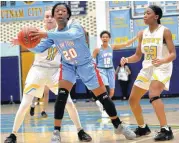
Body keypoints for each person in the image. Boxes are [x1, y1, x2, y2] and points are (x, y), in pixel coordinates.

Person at [26, 3, 136, 142]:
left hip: (86, 65)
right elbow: (38, 48)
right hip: (68, 66)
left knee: (103, 97)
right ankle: (56, 132)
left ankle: (118, 125)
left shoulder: (75, 26)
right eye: (57, 11)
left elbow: (70, 35)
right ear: (54, 16)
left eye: (63, 11)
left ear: (68, 15)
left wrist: (46, 33)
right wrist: (24, 43)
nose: (60, 12)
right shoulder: (53, 35)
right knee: (61, 97)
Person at [4, 10, 92, 143]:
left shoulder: (62, 33)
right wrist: (22, 41)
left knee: (68, 102)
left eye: (52, 16)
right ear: (43, 20)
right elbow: (31, 44)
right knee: (25, 103)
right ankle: (13, 135)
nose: (49, 18)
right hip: (38, 70)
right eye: (47, 17)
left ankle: (80, 131)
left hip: (56, 71)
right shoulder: (34, 33)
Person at [120, 5, 176, 141]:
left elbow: (173, 54)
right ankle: (142, 127)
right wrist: (127, 59)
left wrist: (162, 61)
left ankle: (166, 129)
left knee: (153, 93)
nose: (144, 15)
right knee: (133, 100)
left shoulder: (165, 31)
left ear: (156, 17)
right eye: (144, 13)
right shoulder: (141, 33)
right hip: (147, 68)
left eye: (148, 13)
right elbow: (138, 56)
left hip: (163, 67)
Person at [93, 30, 137, 117]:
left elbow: (126, 44)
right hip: (101, 70)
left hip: (110, 70)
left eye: (106, 37)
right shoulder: (97, 49)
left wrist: (136, 37)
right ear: (101, 38)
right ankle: (105, 108)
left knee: (112, 92)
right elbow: (91, 60)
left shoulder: (112, 47)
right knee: (106, 88)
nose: (105, 38)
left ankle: (102, 104)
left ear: (109, 38)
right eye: (103, 37)